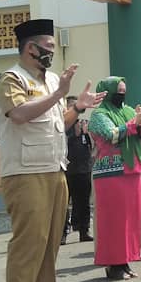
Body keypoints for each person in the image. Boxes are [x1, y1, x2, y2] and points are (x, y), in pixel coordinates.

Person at [0, 18, 105, 282]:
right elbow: (19, 115)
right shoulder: (10, 79)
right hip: (25, 172)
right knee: (29, 243)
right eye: (49, 47)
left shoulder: (50, 80)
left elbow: (58, 123)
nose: (51, 53)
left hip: (55, 169)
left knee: (51, 240)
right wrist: (60, 94)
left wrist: (78, 107)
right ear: (31, 48)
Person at [87, 77, 141, 280]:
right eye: (118, 91)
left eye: (124, 90)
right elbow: (110, 135)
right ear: (107, 92)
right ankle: (113, 265)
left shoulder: (129, 111)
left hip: (131, 170)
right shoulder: (98, 115)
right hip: (110, 174)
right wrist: (134, 124)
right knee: (114, 221)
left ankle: (126, 261)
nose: (122, 94)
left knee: (130, 220)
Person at [62, 101, 94, 246]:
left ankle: (84, 231)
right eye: (71, 106)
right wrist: (74, 135)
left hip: (84, 170)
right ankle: (62, 233)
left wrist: (86, 134)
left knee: (84, 202)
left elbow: (92, 146)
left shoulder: (84, 124)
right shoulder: (64, 127)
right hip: (67, 170)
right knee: (64, 205)